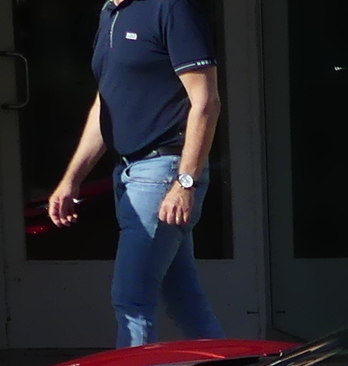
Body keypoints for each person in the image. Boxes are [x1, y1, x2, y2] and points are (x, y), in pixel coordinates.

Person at [46, 0, 225, 347]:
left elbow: (206, 101)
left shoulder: (170, 8)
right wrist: (72, 179)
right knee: (185, 301)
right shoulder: (110, 12)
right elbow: (106, 103)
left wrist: (184, 182)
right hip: (131, 173)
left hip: (162, 174)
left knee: (132, 302)